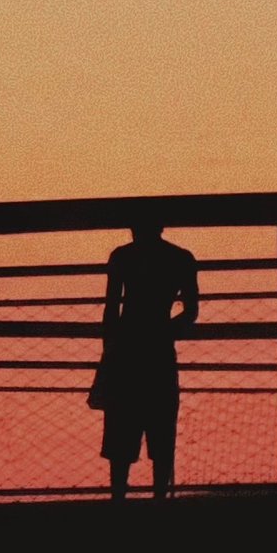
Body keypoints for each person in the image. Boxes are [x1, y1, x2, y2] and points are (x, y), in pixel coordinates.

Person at [93, 213, 200, 498]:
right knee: (161, 426)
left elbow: (111, 309)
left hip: (126, 349)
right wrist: (164, 330)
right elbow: (191, 312)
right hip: (159, 349)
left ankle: (118, 497)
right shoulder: (181, 258)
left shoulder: (121, 257)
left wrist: (109, 350)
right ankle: (160, 499)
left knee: (121, 432)